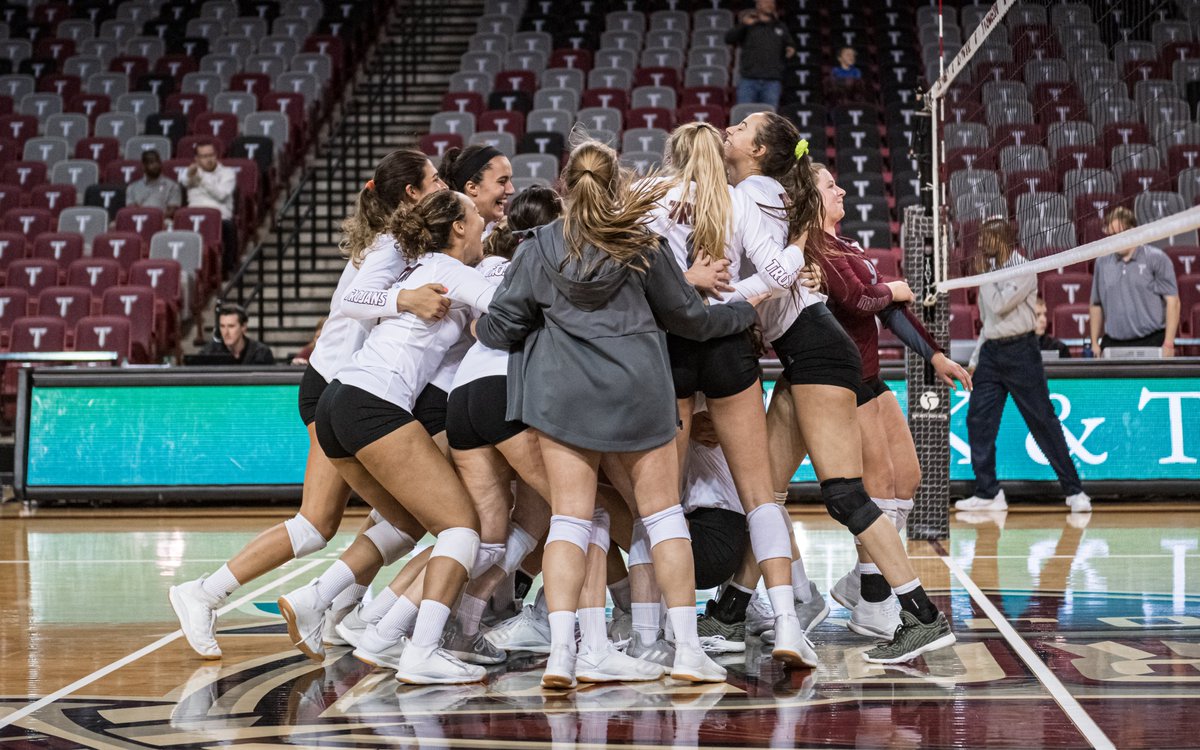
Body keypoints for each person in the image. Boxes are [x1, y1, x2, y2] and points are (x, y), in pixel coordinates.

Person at [475, 139, 761, 688]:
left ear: (565, 186)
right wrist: (744, 310)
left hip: (565, 400)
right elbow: (691, 320)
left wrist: (486, 326)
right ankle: (684, 650)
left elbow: (502, 325)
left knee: (569, 521)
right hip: (637, 394)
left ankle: (563, 655)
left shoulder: (535, 248)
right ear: (617, 186)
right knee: (662, 517)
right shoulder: (642, 245)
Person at [168, 150, 450, 661]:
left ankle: (342, 606)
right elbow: (349, 303)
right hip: (333, 388)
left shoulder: (402, 243)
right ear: (411, 193)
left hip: (347, 388)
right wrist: (406, 302)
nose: (442, 183)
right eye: (434, 179)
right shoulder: (389, 244)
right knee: (319, 524)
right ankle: (206, 593)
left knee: (401, 519)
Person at [723, 111, 956, 664]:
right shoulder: (764, 193)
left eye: (741, 126)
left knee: (846, 494)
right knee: (765, 496)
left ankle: (918, 615)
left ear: (760, 152)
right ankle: (732, 612)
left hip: (820, 351)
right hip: (805, 351)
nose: (728, 129)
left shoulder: (753, 193)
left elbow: (782, 276)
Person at [645, 121, 819, 668]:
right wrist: (797, 247)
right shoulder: (738, 202)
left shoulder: (652, 200)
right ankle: (788, 622)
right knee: (760, 496)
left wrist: (686, 290)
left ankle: (666, 639)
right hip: (727, 342)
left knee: (659, 502)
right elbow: (774, 274)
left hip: (671, 345)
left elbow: (635, 281)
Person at [778, 163, 972, 641]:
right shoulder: (810, 249)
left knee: (908, 478)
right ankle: (871, 599)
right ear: (811, 197)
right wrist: (893, 287)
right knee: (873, 486)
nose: (841, 188)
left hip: (869, 375)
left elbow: (884, 306)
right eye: (831, 184)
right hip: (834, 381)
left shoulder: (845, 246)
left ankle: (862, 581)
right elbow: (858, 300)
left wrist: (936, 355)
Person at [312, 190, 494, 685]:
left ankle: (319, 599)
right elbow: (509, 309)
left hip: (340, 398)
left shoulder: (419, 268)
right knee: (461, 528)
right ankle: (423, 650)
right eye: (477, 217)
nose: (483, 225)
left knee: (409, 521)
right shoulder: (452, 270)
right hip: (372, 400)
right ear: (458, 226)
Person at [957, 219, 1092, 514]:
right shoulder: (990, 272)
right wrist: (976, 359)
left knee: (1042, 420)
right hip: (992, 353)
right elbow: (988, 322)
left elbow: (999, 306)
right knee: (978, 420)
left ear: (1002, 239)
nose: (981, 244)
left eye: (987, 238)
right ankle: (988, 492)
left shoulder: (1023, 268)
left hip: (1021, 351)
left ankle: (1074, 490)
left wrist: (984, 276)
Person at [1089, 207, 1179, 357]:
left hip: (1151, 340)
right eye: (1112, 235)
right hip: (1114, 342)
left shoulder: (1156, 258)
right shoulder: (1102, 263)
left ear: (1133, 230)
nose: (1116, 239)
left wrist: (1169, 343)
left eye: (1120, 233)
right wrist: (1094, 342)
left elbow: (1173, 302)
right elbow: (1096, 305)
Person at [724, 0, 796, 107]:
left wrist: (791, 49)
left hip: (772, 81)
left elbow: (790, 44)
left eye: (772, 3)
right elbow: (729, 39)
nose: (770, 5)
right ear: (758, 4)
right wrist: (743, 25)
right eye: (766, 2)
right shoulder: (748, 25)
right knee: (745, 116)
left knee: (768, 120)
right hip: (748, 80)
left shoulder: (780, 26)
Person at [185, 140, 239, 274]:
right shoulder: (191, 171)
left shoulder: (228, 173)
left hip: (219, 218)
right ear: (197, 159)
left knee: (228, 227)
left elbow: (221, 194)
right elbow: (185, 181)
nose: (209, 159)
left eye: (211, 155)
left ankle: (227, 270)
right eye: (204, 156)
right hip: (193, 217)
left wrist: (202, 180)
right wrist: (193, 176)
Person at [199, 303, 275, 364]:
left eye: (231, 326)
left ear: (243, 327)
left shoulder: (261, 353)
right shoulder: (209, 353)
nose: (226, 332)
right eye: (222, 326)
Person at [125, 149, 182, 220]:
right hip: (138, 220)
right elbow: (131, 210)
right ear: (143, 166)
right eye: (151, 162)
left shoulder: (172, 186)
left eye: (157, 162)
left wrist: (153, 218)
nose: (155, 165)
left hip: (162, 221)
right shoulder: (132, 188)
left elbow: (172, 211)